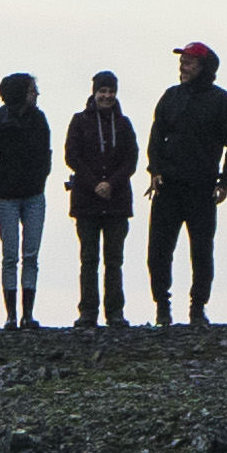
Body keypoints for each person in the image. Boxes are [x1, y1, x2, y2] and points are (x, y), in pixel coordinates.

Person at [142, 43, 227, 324]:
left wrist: (225, 179)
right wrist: (155, 170)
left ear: (204, 67)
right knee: (158, 250)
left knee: (201, 250)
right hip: (168, 186)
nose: (183, 67)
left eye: (189, 62)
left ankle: (198, 307)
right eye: (182, 61)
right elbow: (155, 137)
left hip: (202, 187)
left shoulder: (221, 101)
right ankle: (162, 306)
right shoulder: (170, 97)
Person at [59, 69, 139, 327]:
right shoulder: (79, 121)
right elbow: (72, 156)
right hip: (87, 201)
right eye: (102, 91)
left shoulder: (124, 124)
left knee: (114, 260)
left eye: (111, 91)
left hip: (117, 202)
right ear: (94, 93)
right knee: (89, 259)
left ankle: (115, 312)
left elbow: (131, 159)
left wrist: (111, 183)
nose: (107, 96)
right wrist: (94, 184)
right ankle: (88, 312)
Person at [0, 72, 56, 331]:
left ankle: (28, 314)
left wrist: (40, 177)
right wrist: (4, 172)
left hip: (33, 193)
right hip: (7, 195)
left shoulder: (39, 118)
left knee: (31, 254)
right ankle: (12, 315)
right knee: (11, 254)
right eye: (32, 89)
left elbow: (46, 153)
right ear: (21, 92)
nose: (36, 94)